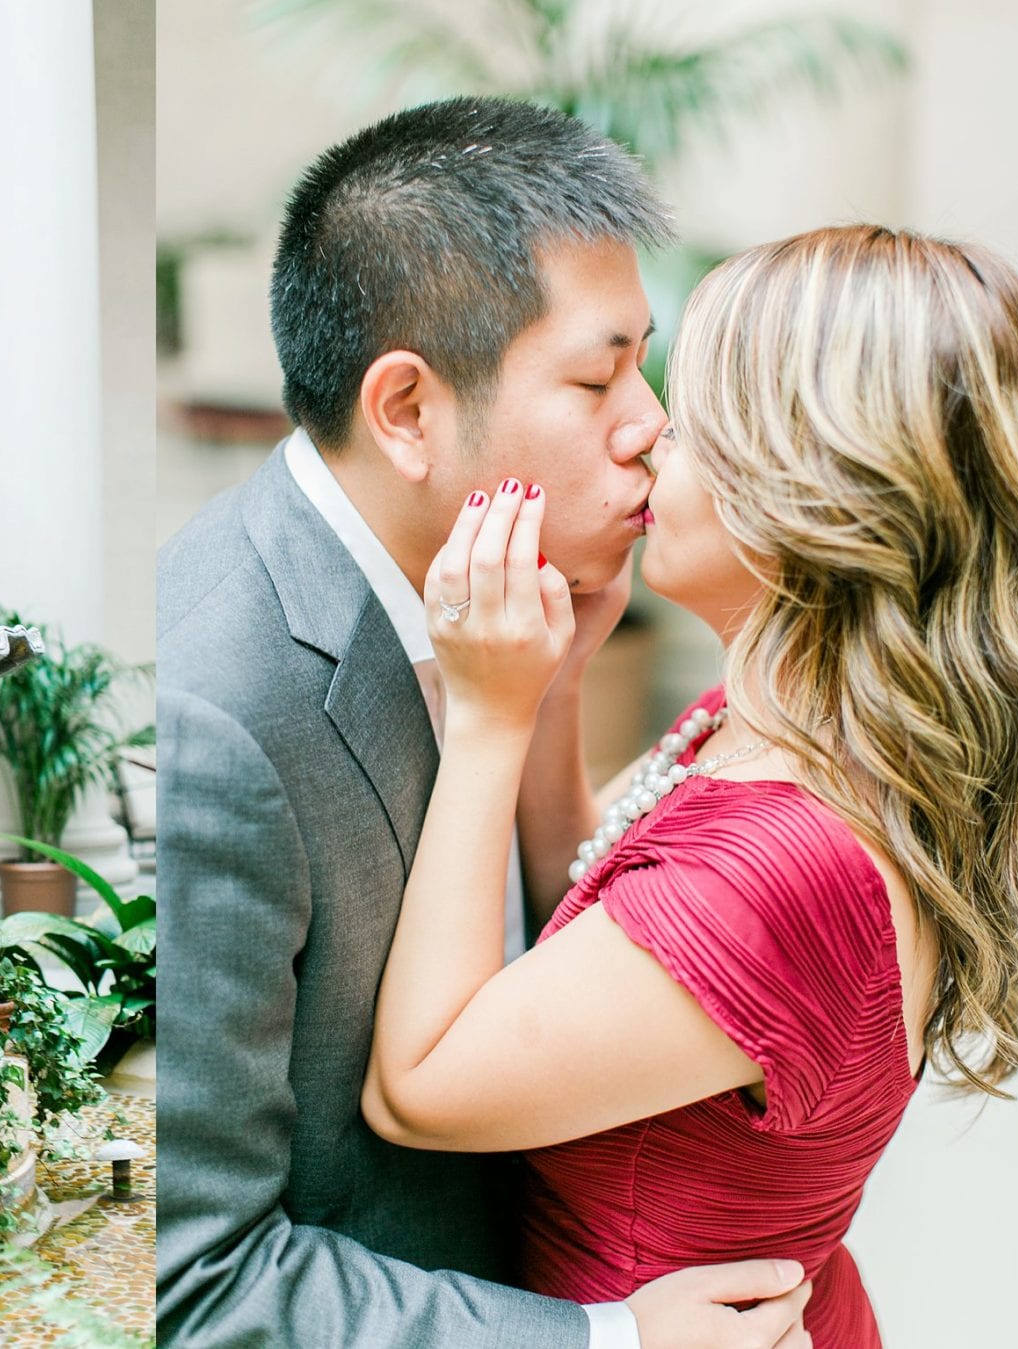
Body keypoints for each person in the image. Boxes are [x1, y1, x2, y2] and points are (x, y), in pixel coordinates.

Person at [158, 96, 813, 1348]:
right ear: (408, 410)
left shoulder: (504, 611)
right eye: (595, 374)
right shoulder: (214, 715)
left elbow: (547, 951)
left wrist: (548, 694)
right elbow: (198, 1284)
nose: (652, 423)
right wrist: (609, 1340)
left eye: (645, 359)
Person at [368, 225, 1018, 1347]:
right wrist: (554, 691)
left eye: (690, 425)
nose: (644, 441)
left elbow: (420, 1083)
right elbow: (604, 907)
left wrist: (486, 714)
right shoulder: (798, 723)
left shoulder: (789, 864)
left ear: (809, 499)